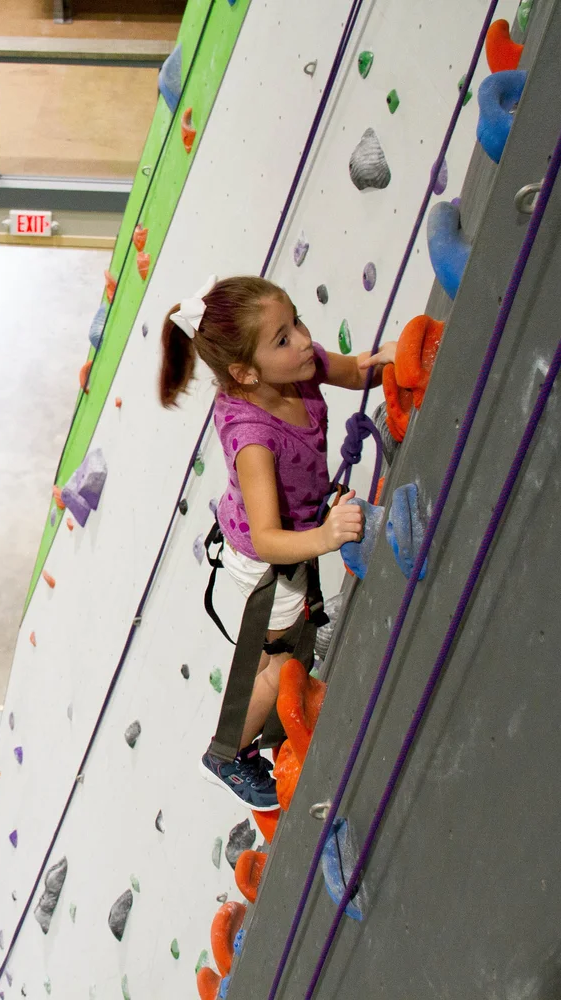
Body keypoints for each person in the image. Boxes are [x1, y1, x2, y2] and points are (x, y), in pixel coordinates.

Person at [158, 275, 394, 809]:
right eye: (283, 339)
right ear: (245, 373)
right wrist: (325, 535)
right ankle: (225, 755)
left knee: (278, 656)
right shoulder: (253, 439)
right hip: (264, 561)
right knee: (282, 665)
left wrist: (391, 360)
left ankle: (258, 729)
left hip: (291, 532)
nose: (305, 341)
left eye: (297, 323)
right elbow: (266, 539)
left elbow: (357, 369)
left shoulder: (300, 370)